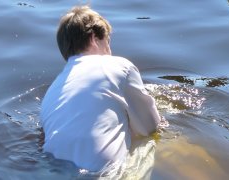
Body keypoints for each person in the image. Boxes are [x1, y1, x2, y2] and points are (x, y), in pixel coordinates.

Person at [40, 5, 162, 172]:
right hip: (103, 172)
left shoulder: (52, 90)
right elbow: (150, 127)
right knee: (149, 141)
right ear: (94, 38)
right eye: (108, 42)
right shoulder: (119, 66)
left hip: (51, 171)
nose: (110, 51)